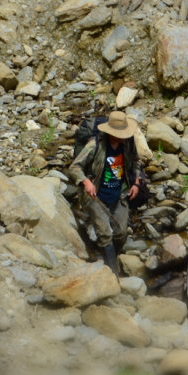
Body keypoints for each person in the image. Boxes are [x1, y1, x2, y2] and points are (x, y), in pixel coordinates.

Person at [68, 110, 145, 274]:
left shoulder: (128, 144)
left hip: (119, 194)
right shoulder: (95, 145)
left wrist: (136, 183)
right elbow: (74, 167)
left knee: (121, 232)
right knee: (105, 234)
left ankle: (112, 255)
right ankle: (113, 272)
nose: (122, 137)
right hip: (96, 195)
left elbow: (136, 162)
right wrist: (86, 182)